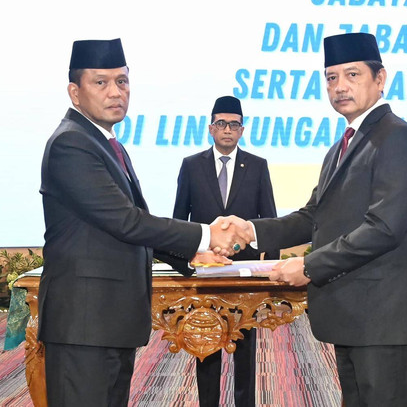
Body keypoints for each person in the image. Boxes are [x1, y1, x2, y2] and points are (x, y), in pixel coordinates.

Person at [222, 33, 407, 406]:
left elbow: (384, 227)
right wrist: (251, 229)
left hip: (383, 318)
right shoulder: (342, 146)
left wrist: (309, 265)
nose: (340, 87)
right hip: (353, 315)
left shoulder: (397, 138)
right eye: (331, 78)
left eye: (352, 75)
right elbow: (313, 216)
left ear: (380, 79)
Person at [38, 38, 249, 407]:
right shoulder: (71, 144)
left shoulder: (106, 143)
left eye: (122, 82)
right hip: (84, 324)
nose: (115, 92)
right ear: (75, 91)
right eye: (100, 83)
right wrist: (205, 234)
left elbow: (135, 224)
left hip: (107, 320)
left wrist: (191, 256)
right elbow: (126, 222)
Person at [173, 96, 279, 407]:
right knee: (205, 342)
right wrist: (186, 262)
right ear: (210, 128)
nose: (227, 130)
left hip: (245, 274)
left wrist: (270, 269)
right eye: (221, 124)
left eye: (234, 124)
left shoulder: (257, 166)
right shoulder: (192, 166)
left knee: (245, 345)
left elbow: (269, 218)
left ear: (242, 130)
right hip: (206, 271)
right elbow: (180, 220)